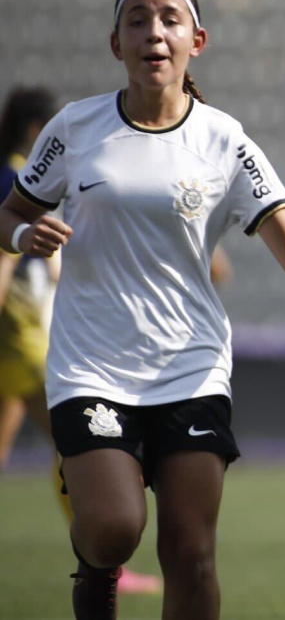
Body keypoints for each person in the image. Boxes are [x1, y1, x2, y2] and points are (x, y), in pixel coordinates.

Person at [0, 0, 285, 620]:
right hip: (92, 366)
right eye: (137, 20)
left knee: (193, 555)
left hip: (191, 368)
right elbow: (8, 215)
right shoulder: (74, 126)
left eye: (169, 19)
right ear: (116, 43)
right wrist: (27, 232)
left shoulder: (225, 139)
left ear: (195, 40)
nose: (153, 32)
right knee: (115, 528)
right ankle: (95, 573)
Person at [0, 87, 165, 594]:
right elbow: (6, 253)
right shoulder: (16, 176)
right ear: (36, 131)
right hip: (22, 336)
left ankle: (103, 556)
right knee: (84, 445)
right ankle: (105, 561)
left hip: (20, 336)